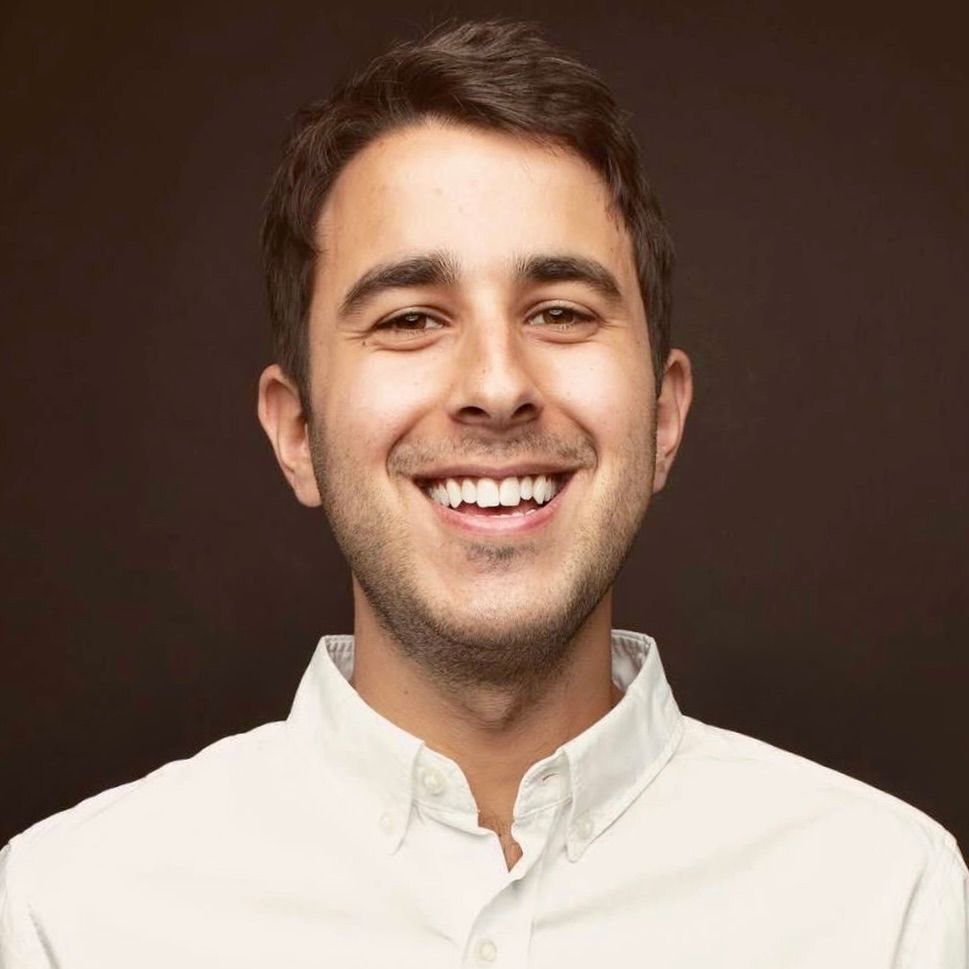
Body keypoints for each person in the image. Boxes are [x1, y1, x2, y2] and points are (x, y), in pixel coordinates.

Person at [1, 17, 965, 968]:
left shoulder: (890, 907)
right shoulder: (63, 919)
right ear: (296, 433)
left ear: (663, 417)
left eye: (560, 311)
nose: (497, 385)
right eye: (411, 318)